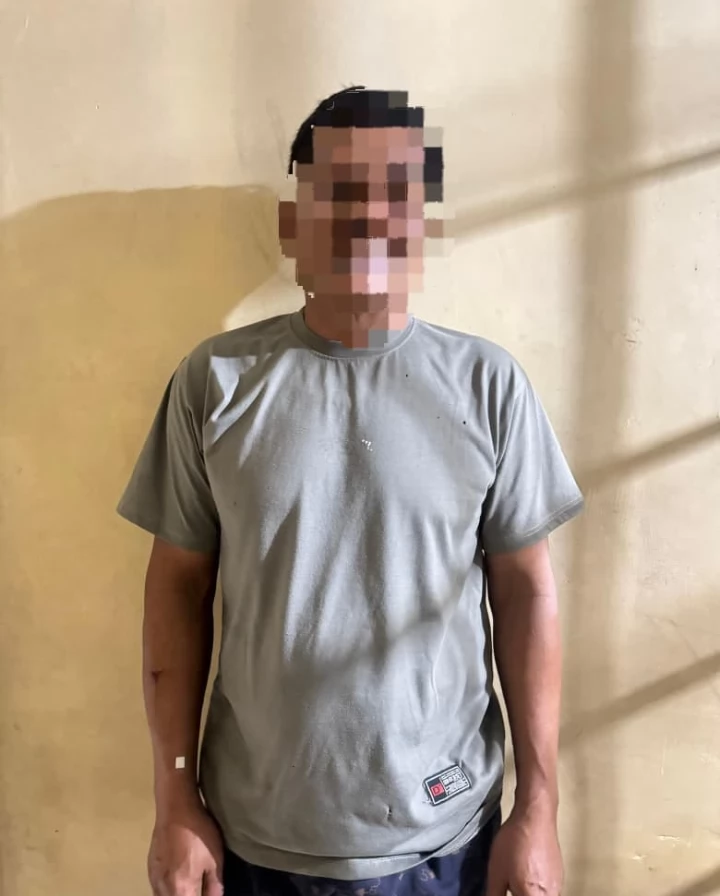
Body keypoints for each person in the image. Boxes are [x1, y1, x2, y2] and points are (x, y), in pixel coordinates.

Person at [118, 86, 584, 896]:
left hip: (445, 840)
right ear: (293, 222)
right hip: (254, 841)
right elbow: (177, 590)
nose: (367, 217)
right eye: (338, 192)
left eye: (394, 193)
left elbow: (527, 592)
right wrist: (175, 797)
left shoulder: (488, 386)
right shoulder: (215, 383)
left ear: (422, 224)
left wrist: (538, 808)